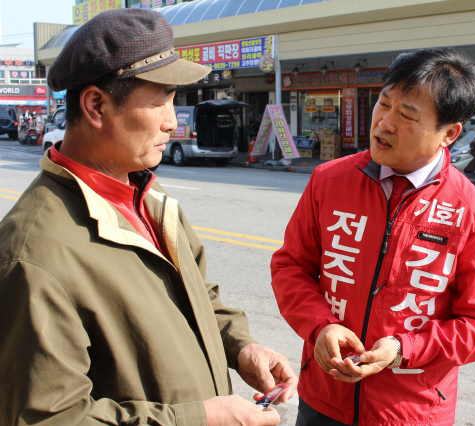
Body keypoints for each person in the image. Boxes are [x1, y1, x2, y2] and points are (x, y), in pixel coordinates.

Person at [0, 9, 295, 426]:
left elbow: (199, 297)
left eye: (174, 99)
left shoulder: (149, 198)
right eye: (159, 100)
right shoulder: (34, 253)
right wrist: (200, 419)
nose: (172, 122)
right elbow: (51, 417)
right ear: (97, 106)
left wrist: (240, 346)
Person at [271, 48, 475, 426]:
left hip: (411, 412)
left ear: (449, 133)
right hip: (322, 397)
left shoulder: (472, 213)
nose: (384, 123)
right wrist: (320, 326)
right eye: (384, 105)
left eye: (406, 115)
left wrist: (403, 349)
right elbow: (291, 266)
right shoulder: (328, 180)